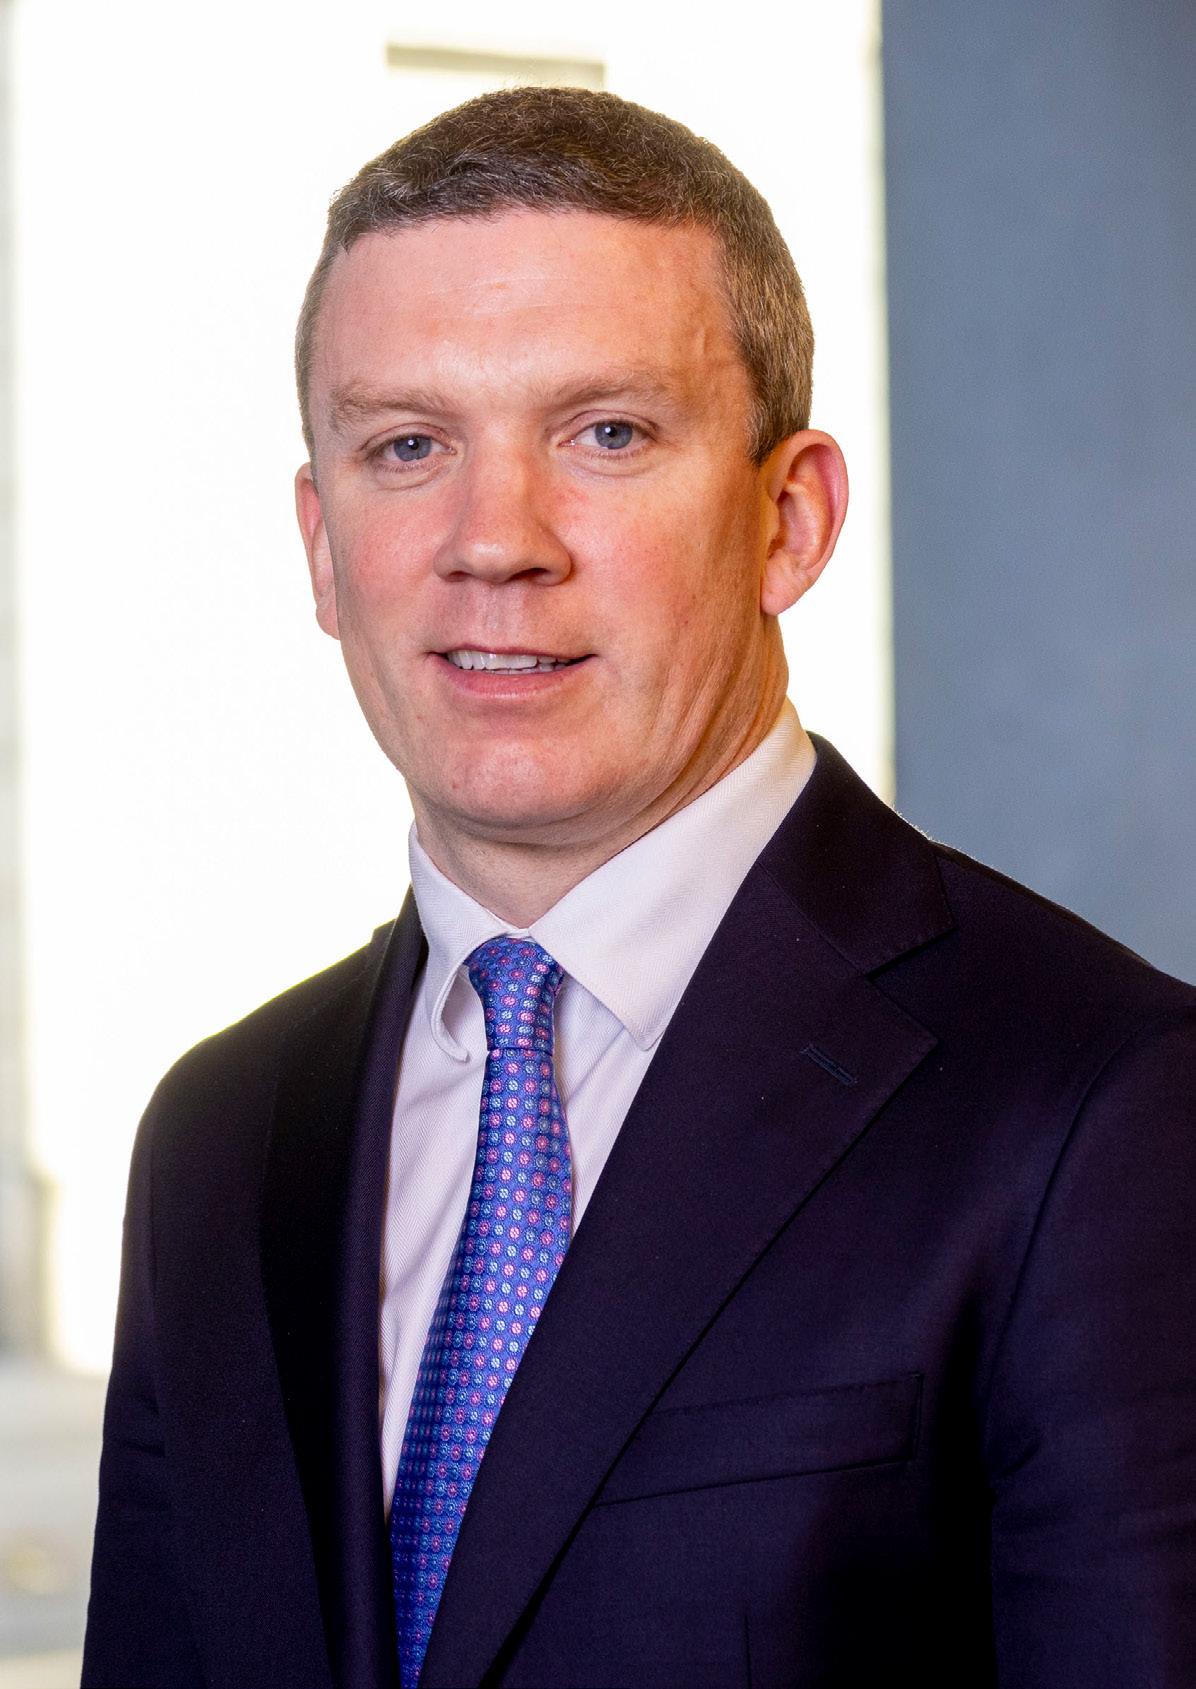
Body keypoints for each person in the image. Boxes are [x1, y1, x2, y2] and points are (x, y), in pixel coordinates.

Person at [83, 86, 1196, 1689]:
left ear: (788, 519)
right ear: (322, 545)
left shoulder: (1099, 1106)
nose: (495, 541)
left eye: (604, 433)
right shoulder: (218, 1136)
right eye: (409, 446)